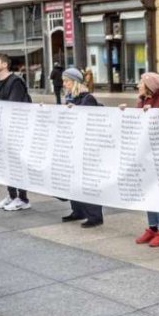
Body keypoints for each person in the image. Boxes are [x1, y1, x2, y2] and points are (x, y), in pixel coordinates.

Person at [118, 73, 159, 246]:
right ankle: (152, 228)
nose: (138, 85)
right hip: (145, 158)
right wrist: (124, 113)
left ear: (149, 85)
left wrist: (153, 116)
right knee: (148, 193)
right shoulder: (140, 102)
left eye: (141, 82)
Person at [0, 53, 32, 211]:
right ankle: (12, 195)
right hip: (0, 130)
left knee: (17, 163)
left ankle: (23, 198)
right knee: (6, 164)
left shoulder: (16, 82)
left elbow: (14, 105)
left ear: (5, 65)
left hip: (16, 130)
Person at [60, 68, 104, 228]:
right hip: (74, 145)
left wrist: (73, 111)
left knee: (87, 181)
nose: (64, 84)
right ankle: (78, 210)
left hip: (87, 147)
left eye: (67, 81)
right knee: (73, 178)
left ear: (75, 82)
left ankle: (95, 215)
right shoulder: (71, 98)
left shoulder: (87, 98)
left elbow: (88, 121)